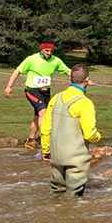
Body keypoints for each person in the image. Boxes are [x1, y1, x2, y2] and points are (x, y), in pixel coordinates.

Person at [40, 64, 102, 197]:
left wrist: (46, 151)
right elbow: (90, 134)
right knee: (74, 198)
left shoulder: (56, 98)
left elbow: (45, 128)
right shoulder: (85, 102)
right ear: (87, 80)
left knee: (57, 194)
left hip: (56, 156)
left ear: (70, 79)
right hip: (76, 159)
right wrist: (98, 137)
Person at [4, 41, 72, 150]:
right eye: (46, 50)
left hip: (45, 92)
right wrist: (9, 86)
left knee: (38, 116)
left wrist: (84, 79)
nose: (49, 53)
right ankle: (47, 140)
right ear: (41, 50)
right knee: (43, 113)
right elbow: (17, 71)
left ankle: (31, 140)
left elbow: (68, 71)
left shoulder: (56, 60)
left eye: (51, 51)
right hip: (32, 91)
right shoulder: (31, 59)